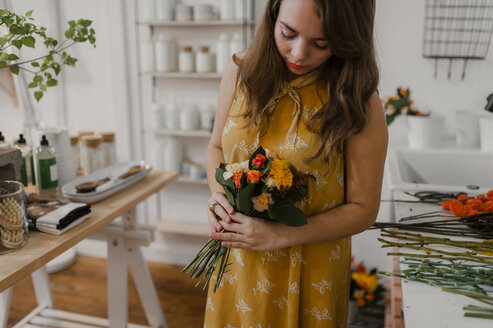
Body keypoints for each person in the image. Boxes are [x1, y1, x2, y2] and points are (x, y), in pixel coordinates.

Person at [204, 0, 387, 326]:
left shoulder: (358, 100)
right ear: (273, 16)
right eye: (288, 33)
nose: (299, 54)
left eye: (321, 43)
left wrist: (280, 235)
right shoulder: (240, 70)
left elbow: (363, 208)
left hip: (307, 269)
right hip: (237, 264)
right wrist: (220, 197)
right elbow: (217, 146)